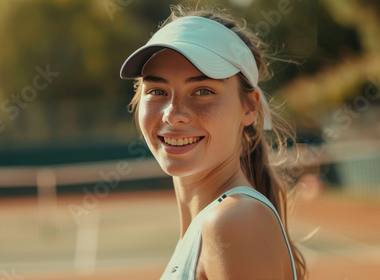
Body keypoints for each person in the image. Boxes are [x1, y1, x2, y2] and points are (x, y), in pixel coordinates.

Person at [119, 4, 307, 280]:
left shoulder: (234, 222)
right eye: (157, 90)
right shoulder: (217, 224)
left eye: (203, 90)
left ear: (249, 107)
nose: (173, 114)